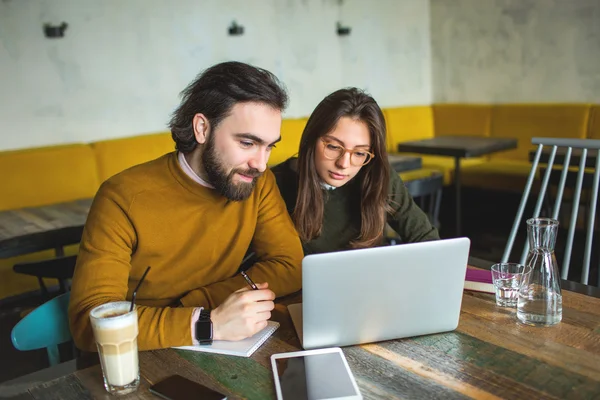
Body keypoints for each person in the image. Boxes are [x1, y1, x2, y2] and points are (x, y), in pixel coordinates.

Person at [69, 61, 303, 352]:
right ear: (202, 128)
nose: (261, 163)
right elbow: (90, 323)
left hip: (221, 345)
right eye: (247, 143)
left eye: (269, 146)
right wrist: (208, 323)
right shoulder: (122, 197)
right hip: (138, 357)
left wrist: (200, 304)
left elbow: (290, 266)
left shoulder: (256, 180)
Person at [271, 88, 439, 255]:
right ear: (311, 139)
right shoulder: (274, 186)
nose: (344, 164)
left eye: (359, 153)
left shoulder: (375, 176)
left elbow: (426, 238)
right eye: (333, 147)